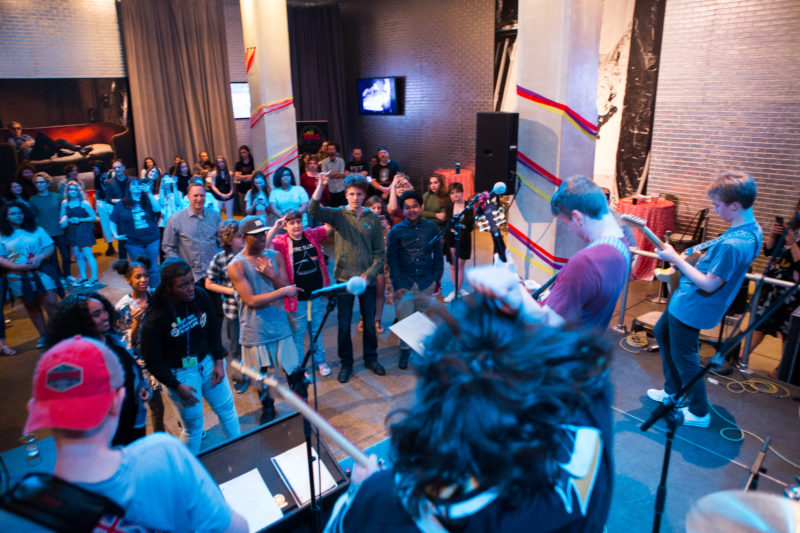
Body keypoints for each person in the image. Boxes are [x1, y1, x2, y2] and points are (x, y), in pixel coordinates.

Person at [324, 284, 614, 532]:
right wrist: (528, 317)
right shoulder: (586, 440)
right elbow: (585, 366)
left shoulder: (388, 502)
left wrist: (360, 489)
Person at [20, 336, 248, 531]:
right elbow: (235, 528)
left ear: (36, 410)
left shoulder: (23, 512)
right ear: (117, 401)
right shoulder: (164, 455)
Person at [648, 171, 762, 428]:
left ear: (734, 205)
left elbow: (710, 283)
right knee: (662, 333)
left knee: (685, 358)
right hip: (686, 301)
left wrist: (676, 259)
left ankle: (699, 411)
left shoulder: (734, 244)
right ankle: (673, 392)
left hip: (693, 306)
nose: (714, 209)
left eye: (717, 205)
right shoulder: (751, 230)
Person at [141, 258, 241, 454]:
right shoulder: (156, 317)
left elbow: (213, 329)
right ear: (168, 288)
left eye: (191, 281)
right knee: (194, 428)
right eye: (183, 285)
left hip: (208, 363)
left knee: (228, 412)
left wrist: (219, 362)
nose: (190, 288)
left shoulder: (200, 296)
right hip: (180, 376)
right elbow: (152, 360)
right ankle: (189, 471)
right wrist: (176, 386)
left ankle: (240, 451)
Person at [309, 173, 386, 383]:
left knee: (369, 324)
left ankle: (371, 358)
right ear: (346, 195)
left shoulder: (372, 219)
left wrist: (369, 275)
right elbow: (313, 210)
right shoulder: (339, 215)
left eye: (359, 194)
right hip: (344, 281)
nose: (355, 197)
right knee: (344, 325)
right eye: (351, 194)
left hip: (367, 282)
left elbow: (380, 252)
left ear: (364, 195)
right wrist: (321, 185)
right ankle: (347, 363)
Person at [527, 175, 631, 330]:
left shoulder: (586, 261)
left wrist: (514, 289)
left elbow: (544, 325)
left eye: (567, 223)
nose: (571, 230)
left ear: (577, 217)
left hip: (563, 349)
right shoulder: (622, 245)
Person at [45, 293, 148, 446]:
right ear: (80, 322)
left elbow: (132, 371)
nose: (105, 317)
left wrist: (141, 388)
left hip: (133, 421)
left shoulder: (113, 340)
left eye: (104, 310)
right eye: (96, 314)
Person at [228, 216, 303, 422]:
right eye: (256, 236)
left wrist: (271, 274)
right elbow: (251, 300)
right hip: (254, 328)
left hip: (279, 324)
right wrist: (282, 291)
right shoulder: (236, 265)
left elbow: (287, 289)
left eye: (263, 234)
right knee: (261, 376)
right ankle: (268, 409)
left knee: (293, 369)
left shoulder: (275, 256)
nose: (262, 238)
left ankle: (301, 405)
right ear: (244, 238)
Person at [272, 210, 334, 377]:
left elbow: (329, 227)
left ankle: (320, 361)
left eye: (298, 221)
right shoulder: (281, 241)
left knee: (317, 331)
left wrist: (319, 207)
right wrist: (275, 227)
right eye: (291, 223)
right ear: (285, 226)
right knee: (298, 335)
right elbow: (264, 247)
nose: (296, 225)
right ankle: (300, 367)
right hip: (296, 299)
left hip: (316, 295)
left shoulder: (311, 234)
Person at [386, 190, 443, 369]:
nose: (411, 210)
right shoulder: (396, 231)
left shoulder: (432, 228)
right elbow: (392, 260)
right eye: (407, 208)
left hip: (426, 281)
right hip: (405, 282)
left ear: (421, 207)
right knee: (405, 318)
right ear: (402, 210)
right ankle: (404, 349)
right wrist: (397, 284)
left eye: (414, 206)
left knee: (420, 316)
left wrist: (436, 278)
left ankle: (417, 346)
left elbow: (439, 255)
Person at [745, 199, 800, 377]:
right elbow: (769, 251)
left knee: (787, 332)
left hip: (791, 291)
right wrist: (774, 235)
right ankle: (740, 358)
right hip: (772, 286)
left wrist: (793, 243)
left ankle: (782, 371)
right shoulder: (793, 226)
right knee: (759, 324)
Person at [114, 257, 166, 433]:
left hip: (159, 356)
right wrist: (136, 323)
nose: (143, 280)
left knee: (165, 404)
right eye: (138, 277)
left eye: (145, 276)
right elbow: (127, 344)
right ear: (128, 280)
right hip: (141, 363)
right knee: (151, 405)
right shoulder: (123, 307)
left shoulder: (155, 296)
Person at [0, 202, 59, 348]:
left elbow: (49, 246)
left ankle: (57, 333)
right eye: (13, 213)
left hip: (41, 272)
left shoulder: (37, 230)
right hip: (18, 277)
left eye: (20, 213)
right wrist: (16, 266)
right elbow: (1, 257)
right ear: (6, 217)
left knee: (51, 302)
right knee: (31, 306)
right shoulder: (2, 235)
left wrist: (40, 257)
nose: (18, 216)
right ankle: (43, 335)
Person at [205, 220, 246, 393]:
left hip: (252, 311)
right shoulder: (220, 258)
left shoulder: (249, 255)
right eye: (238, 236)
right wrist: (231, 290)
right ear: (229, 240)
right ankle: (239, 377)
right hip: (232, 311)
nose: (243, 239)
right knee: (235, 348)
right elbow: (209, 282)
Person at [162, 181, 223, 288]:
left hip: (213, 275)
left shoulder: (215, 216)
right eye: (195, 195)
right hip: (189, 277)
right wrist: (181, 266)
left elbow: (222, 244)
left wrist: (218, 263)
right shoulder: (176, 219)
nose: (199, 199)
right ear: (188, 197)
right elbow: (167, 246)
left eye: (202, 195)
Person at [110, 177, 162, 285]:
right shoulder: (122, 204)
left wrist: (149, 193)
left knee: (153, 267)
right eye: (133, 185)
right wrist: (115, 235)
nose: (136, 187)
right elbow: (112, 220)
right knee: (139, 268)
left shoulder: (147, 200)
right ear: (128, 188)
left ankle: (154, 291)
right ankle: (142, 291)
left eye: (139, 184)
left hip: (152, 238)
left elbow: (157, 210)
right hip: (133, 242)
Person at [29, 172, 69, 283]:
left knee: (66, 255)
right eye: (36, 182)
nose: (39, 184)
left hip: (60, 231)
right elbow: (33, 217)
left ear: (47, 183)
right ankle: (59, 277)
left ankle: (67, 275)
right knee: (53, 258)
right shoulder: (33, 200)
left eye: (41, 182)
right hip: (46, 233)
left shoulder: (57, 196)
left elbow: (64, 212)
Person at [60, 181, 98, 286]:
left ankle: (94, 278)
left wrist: (80, 219)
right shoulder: (65, 203)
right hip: (72, 230)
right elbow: (62, 219)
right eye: (70, 189)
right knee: (78, 255)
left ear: (79, 191)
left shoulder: (84, 203)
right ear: (67, 191)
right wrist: (65, 220)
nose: (72, 192)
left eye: (75, 189)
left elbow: (94, 217)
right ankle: (83, 277)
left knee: (88, 254)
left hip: (84, 229)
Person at [364, 196, 393, 330]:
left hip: (382, 262)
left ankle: (378, 321)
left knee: (380, 292)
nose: (376, 210)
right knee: (367, 293)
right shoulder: (364, 221)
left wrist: (386, 230)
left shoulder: (385, 222)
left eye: (379, 208)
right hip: (367, 263)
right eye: (373, 208)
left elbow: (390, 243)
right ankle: (363, 319)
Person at [6, 121, 90, 160]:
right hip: (32, 156)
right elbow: (15, 153)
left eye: (18, 128)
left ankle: (79, 149)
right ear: (10, 130)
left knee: (60, 140)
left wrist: (30, 144)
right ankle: (59, 151)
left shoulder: (25, 136)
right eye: (14, 129)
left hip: (41, 152)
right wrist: (23, 147)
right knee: (40, 134)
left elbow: (35, 143)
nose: (17, 130)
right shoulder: (10, 140)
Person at [90, 159, 116, 257]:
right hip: (102, 202)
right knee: (105, 226)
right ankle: (110, 245)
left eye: (94, 168)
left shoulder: (111, 174)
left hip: (112, 202)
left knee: (117, 223)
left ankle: (123, 242)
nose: (93, 170)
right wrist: (96, 207)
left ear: (99, 167)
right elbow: (96, 192)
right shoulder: (97, 178)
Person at [321, 142, 347, 207]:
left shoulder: (341, 161)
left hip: (340, 188)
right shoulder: (324, 162)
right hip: (330, 190)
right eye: (329, 149)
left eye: (333, 149)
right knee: (331, 210)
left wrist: (329, 173)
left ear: (335, 150)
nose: (331, 151)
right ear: (327, 151)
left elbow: (341, 174)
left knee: (343, 210)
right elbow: (324, 175)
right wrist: (336, 173)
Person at [234, 145, 255, 213]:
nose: (243, 154)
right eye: (241, 153)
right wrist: (248, 177)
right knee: (243, 208)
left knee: (252, 207)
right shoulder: (238, 164)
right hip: (241, 190)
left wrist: (242, 177)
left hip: (251, 189)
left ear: (248, 152)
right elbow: (237, 177)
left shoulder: (253, 162)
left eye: (244, 152)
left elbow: (254, 176)